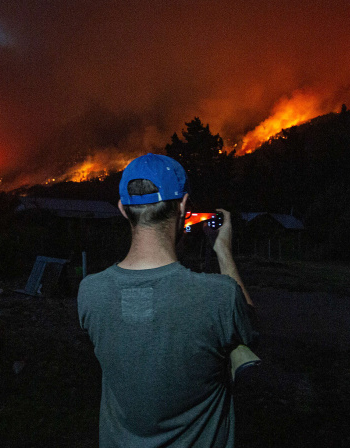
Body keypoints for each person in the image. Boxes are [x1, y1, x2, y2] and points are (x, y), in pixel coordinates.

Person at [77, 153, 257, 447]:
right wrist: (223, 250)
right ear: (184, 205)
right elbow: (251, 329)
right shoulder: (220, 296)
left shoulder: (90, 292)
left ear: (123, 209)